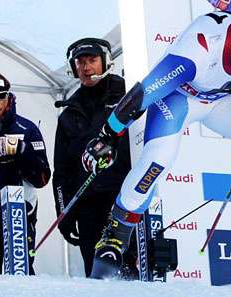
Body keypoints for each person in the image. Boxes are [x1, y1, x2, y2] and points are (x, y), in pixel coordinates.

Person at [82, 11, 231, 278]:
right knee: (160, 158)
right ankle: (115, 237)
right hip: (179, 98)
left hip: (224, 101)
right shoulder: (202, 47)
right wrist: (109, 133)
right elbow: (147, 90)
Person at [52, 37, 139, 277]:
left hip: (124, 203)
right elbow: (61, 172)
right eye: (80, 63)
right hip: (87, 208)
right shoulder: (68, 114)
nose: (86, 68)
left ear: (106, 62)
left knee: (133, 277)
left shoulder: (128, 95)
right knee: (96, 277)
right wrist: (64, 214)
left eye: (92, 61)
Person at [0, 72, 51, 274]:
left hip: (17, 216)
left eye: (1, 95)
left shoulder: (27, 128)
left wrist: (22, 150)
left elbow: (42, 178)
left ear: (9, 96)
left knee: (20, 276)